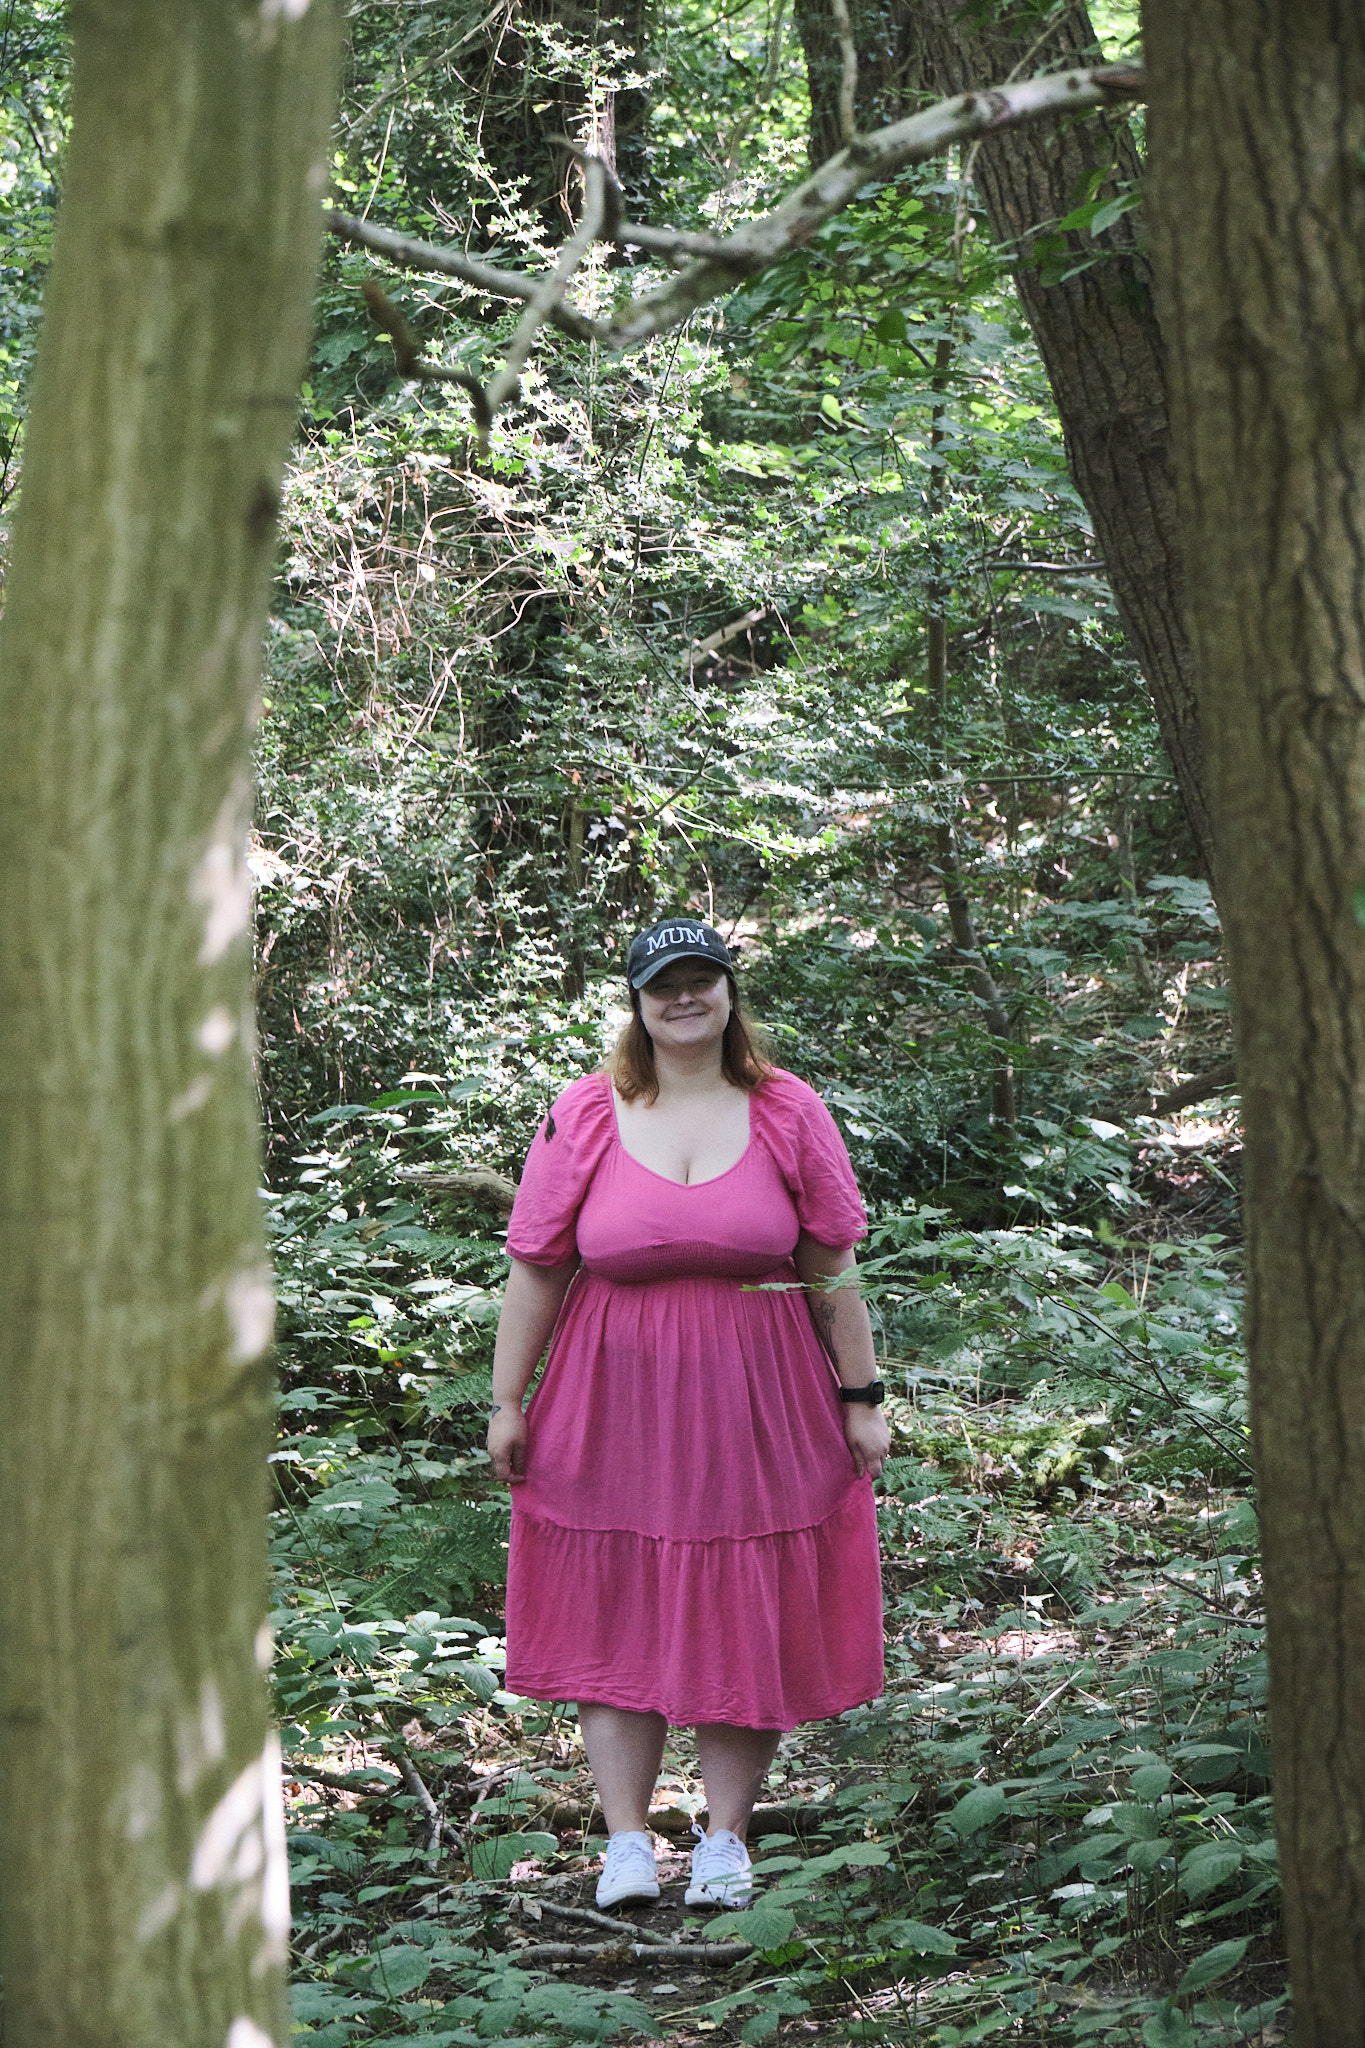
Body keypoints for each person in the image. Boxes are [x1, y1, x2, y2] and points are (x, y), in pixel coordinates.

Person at [487, 917, 889, 1912]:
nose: (684, 996)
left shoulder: (788, 1109)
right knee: (616, 1600)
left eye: (701, 978)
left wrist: (863, 1394)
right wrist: (506, 1399)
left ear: (727, 991)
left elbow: (832, 1267)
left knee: (743, 1603)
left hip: (765, 1398)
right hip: (608, 1398)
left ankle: (724, 1839)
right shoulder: (583, 1112)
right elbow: (537, 1266)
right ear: (638, 999)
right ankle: (626, 1840)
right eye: (664, 982)